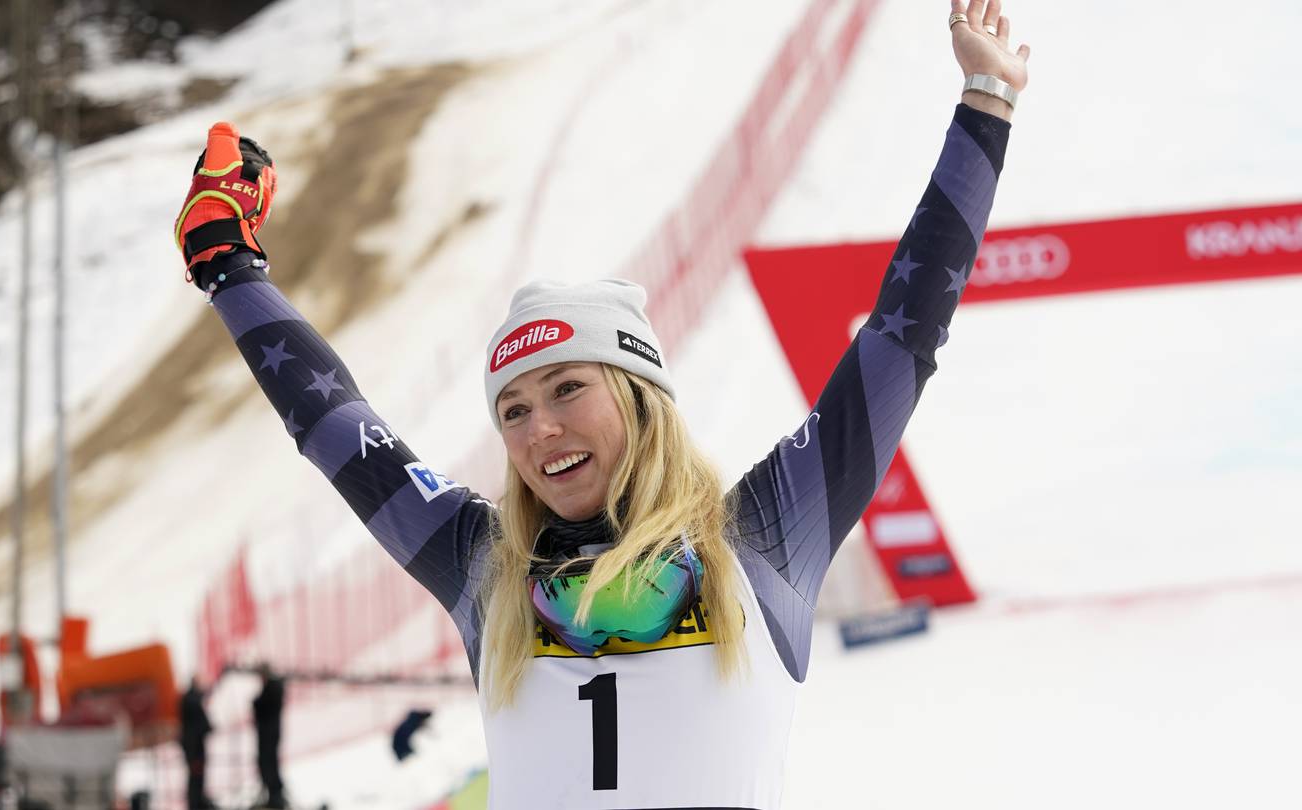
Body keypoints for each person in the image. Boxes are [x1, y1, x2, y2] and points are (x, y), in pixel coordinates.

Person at [170, 1, 1028, 806]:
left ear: (640, 398)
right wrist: (226, 265)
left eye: (568, 389)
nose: (539, 428)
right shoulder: (487, 568)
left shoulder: (762, 538)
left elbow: (900, 339)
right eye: (511, 410)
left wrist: (985, 105)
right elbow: (336, 427)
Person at [251, 664, 287, 809]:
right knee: (268, 763)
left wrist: (255, 703)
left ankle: (275, 797)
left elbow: (261, 705)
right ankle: (273, 795)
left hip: (268, 734)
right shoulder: (274, 687)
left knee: (269, 763)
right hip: (269, 734)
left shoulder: (272, 687)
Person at [178, 677, 216, 810]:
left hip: (193, 746)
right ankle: (195, 803)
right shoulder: (192, 700)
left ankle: (197, 802)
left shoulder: (190, 699)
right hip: (194, 748)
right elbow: (202, 723)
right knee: (195, 777)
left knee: (197, 777)